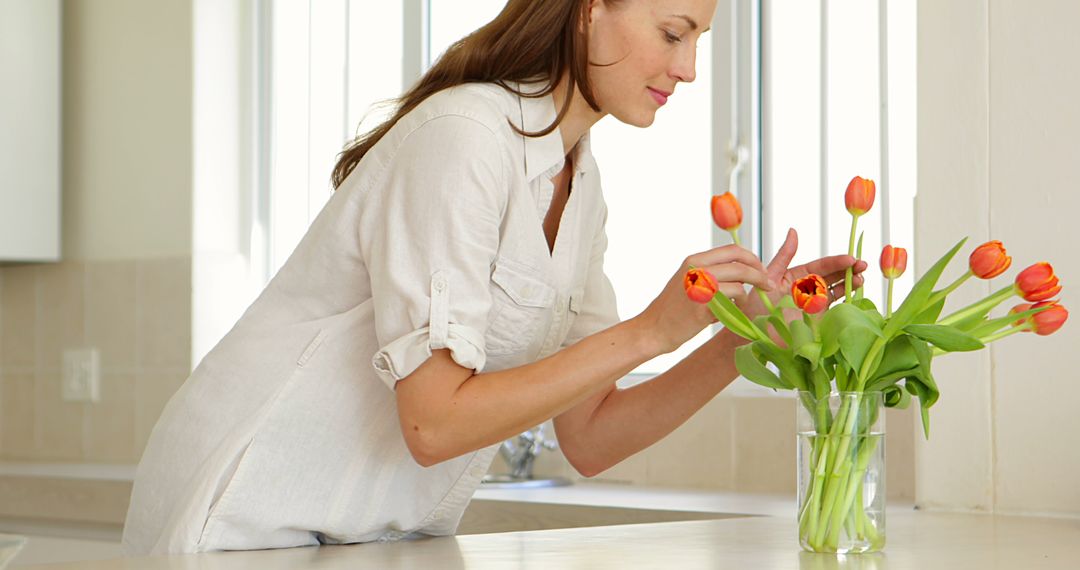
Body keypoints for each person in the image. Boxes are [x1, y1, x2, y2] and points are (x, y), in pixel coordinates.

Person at [123, 0, 865, 554]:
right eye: (673, 33)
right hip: (238, 521)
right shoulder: (468, 137)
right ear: (590, 12)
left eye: (699, 40)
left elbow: (591, 438)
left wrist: (736, 339)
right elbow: (434, 422)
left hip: (362, 540)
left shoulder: (582, 185)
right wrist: (648, 332)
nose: (689, 69)